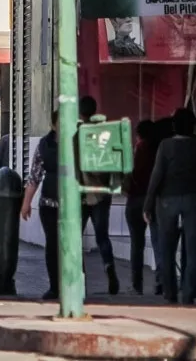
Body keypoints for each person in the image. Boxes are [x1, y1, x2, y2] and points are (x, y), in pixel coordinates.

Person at [145, 108, 196, 304]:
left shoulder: (165, 145)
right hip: (193, 199)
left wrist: (148, 204)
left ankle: (169, 292)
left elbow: (156, 175)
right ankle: (189, 293)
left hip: (167, 201)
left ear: (174, 126)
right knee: (194, 248)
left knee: (167, 248)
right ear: (192, 126)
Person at [77, 95, 119, 295]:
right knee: (102, 236)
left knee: (75, 238)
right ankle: (109, 267)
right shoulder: (105, 132)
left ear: (79, 112)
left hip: (81, 193)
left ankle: (80, 277)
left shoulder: (76, 134)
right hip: (101, 193)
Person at [21, 111, 61, 300]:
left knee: (72, 245)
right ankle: (54, 287)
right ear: (53, 125)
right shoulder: (45, 145)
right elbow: (35, 176)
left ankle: (78, 285)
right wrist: (26, 203)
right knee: (52, 244)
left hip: (75, 205)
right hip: (49, 203)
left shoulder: (79, 141)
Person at [124, 120, 163, 296]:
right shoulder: (159, 150)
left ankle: (136, 285)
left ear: (138, 134)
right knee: (158, 242)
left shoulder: (138, 149)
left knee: (137, 244)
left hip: (135, 200)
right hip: (154, 200)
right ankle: (160, 282)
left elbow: (132, 173)